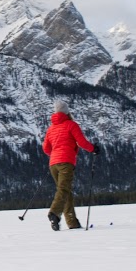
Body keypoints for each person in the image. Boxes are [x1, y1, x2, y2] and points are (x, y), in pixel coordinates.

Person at [42, 99, 98, 231]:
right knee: (64, 189)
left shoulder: (51, 129)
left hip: (53, 164)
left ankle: (72, 223)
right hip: (65, 162)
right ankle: (54, 213)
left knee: (65, 191)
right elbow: (82, 142)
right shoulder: (71, 125)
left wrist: (55, 155)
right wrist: (94, 149)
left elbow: (45, 148)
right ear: (67, 112)